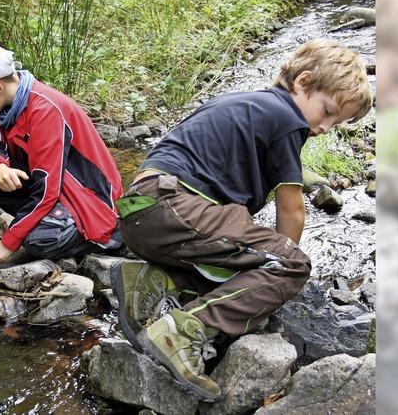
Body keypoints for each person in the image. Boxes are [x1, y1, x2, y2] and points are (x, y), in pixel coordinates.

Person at [110, 39, 373, 401]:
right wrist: (282, 267)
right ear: (302, 82)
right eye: (327, 112)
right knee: (288, 264)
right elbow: (292, 209)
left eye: (336, 122)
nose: (326, 126)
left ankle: (158, 284)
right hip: (174, 206)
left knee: (240, 261)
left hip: (140, 214)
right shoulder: (286, 119)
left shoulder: (243, 103)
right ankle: (185, 330)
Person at [0, 41, 123, 263]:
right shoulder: (9, 108)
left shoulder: (45, 110)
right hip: (58, 189)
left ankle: (103, 233)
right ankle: (47, 222)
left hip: (90, 199)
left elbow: (47, 189)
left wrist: (9, 242)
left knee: (38, 243)